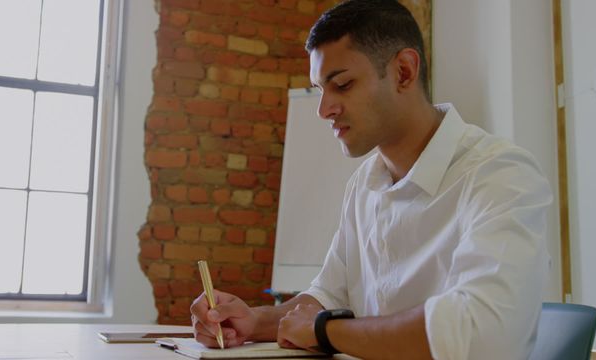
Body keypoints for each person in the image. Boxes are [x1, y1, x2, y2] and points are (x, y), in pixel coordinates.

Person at [191, 0, 553, 359]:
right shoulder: (364, 184)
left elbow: (480, 335)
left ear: (404, 72)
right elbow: (328, 297)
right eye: (320, 90)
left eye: (343, 85)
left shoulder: (500, 175)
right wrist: (253, 321)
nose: (323, 110)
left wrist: (324, 330)